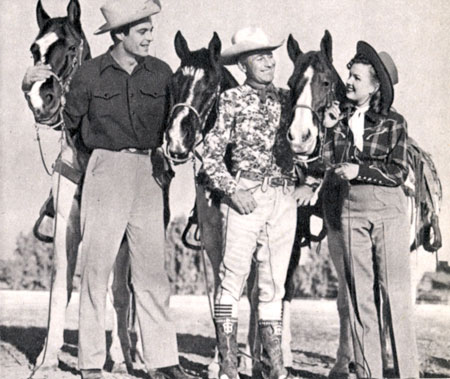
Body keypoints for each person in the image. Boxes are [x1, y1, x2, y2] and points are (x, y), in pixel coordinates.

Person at [22, 1, 188, 378]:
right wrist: (30, 85)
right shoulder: (91, 75)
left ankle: (164, 360)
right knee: (96, 272)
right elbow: (60, 120)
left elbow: (175, 122)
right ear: (120, 35)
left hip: (149, 172)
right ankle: (91, 362)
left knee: (152, 276)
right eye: (142, 31)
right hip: (105, 170)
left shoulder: (161, 73)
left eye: (150, 30)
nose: (150, 36)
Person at [202, 26, 309, 379]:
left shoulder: (288, 99)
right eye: (258, 56)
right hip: (244, 197)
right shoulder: (230, 100)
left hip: (283, 198)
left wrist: (307, 182)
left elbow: (310, 145)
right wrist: (232, 191)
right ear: (243, 64)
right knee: (231, 282)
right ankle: (229, 365)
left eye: (269, 54)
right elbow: (211, 158)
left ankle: (274, 367)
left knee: (273, 286)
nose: (267, 61)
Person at [321, 41, 419, 379]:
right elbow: (325, 165)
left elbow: (398, 171)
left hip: (387, 207)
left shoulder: (395, 122)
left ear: (376, 87)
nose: (348, 81)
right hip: (350, 209)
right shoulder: (339, 119)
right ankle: (367, 374)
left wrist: (360, 171)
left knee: (395, 296)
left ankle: (408, 374)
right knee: (359, 298)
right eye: (349, 74)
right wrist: (330, 128)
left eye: (357, 77)